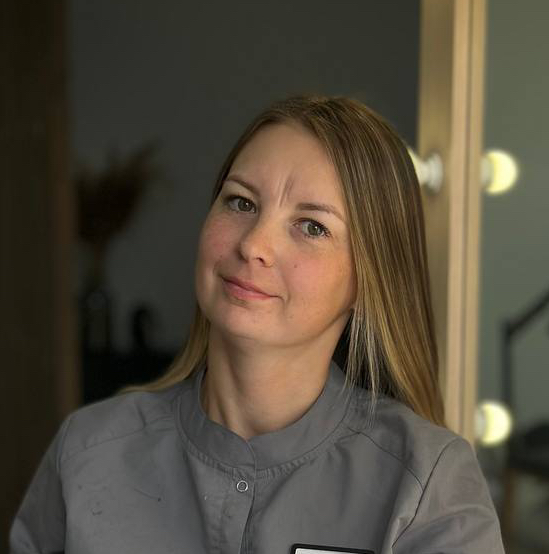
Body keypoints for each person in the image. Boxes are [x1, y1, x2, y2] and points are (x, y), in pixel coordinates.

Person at [10, 95, 505, 554]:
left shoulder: (428, 484)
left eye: (312, 226)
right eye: (241, 202)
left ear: (368, 279)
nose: (253, 245)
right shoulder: (87, 450)